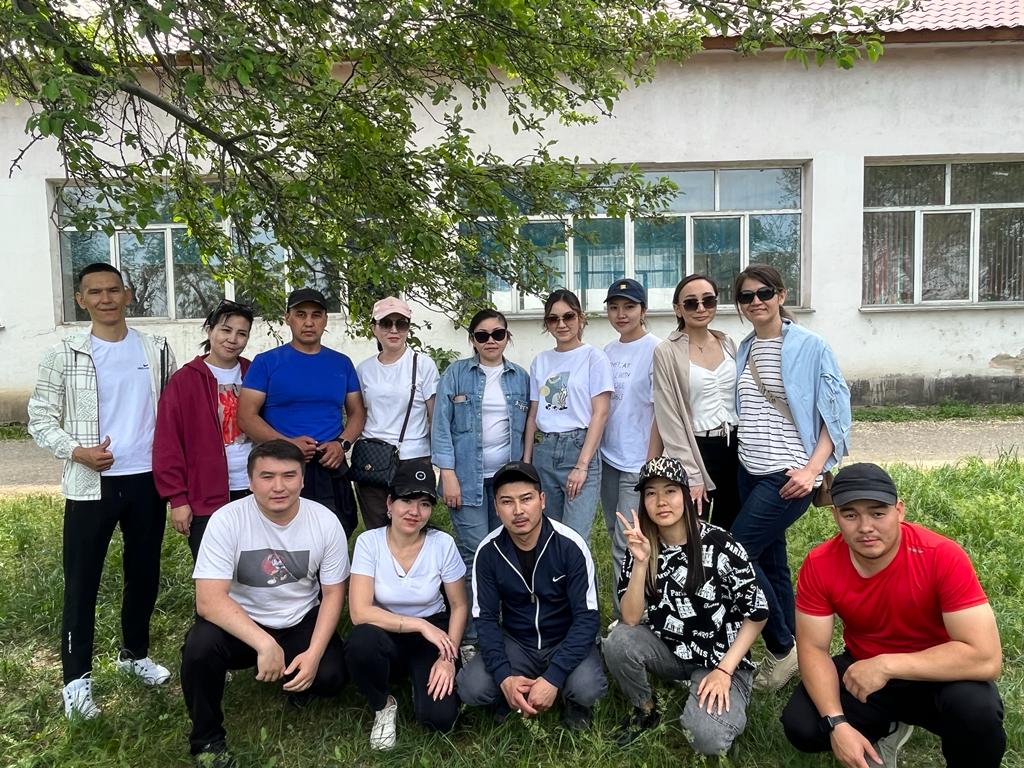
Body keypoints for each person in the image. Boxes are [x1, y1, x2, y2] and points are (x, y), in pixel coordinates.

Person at [27, 262, 177, 720]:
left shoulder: (156, 349)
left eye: (113, 290)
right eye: (95, 292)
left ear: (128, 295)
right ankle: (76, 682)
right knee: (82, 581)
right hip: (90, 484)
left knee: (144, 572)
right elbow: (40, 418)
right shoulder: (64, 353)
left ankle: (134, 655)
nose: (106, 299)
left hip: (147, 480)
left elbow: (172, 412)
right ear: (81, 300)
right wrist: (77, 451)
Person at [781, 463, 1005, 768]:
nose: (865, 527)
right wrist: (837, 723)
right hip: (865, 669)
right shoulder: (820, 563)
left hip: (937, 672)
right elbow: (813, 649)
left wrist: (887, 665)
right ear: (835, 516)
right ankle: (883, 729)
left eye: (877, 513)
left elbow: (986, 658)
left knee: (976, 710)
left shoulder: (942, 555)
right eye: (850, 515)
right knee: (802, 724)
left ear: (899, 511)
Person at [180, 440, 349, 768]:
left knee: (331, 676)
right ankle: (207, 740)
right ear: (250, 480)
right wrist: (264, 643)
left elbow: (333, 595)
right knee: (199, 648)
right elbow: (209, 601)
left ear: (303, 479)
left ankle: (295, 680)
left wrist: (314, 654)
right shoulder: (227, 520)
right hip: (243, 623)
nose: (278, 487)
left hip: (299, 618)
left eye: (289, 476)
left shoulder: (325, 522)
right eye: (267, 476)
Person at [730, 263, 851, 691]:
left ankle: (781, 648)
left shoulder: (810, 345)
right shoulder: (745, 347)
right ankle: (801, 649)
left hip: (788, 476)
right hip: (749, 470)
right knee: (772, 564)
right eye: (746, 296)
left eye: (764, 293)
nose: (756, 302)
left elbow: (836, 414)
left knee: (735, 552)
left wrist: (813, 470)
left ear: (781, 295)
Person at [602, 456, 768, 753]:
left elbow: (758, 613)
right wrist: (641, 563)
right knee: (617, 641)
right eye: (651, 493)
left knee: (706, 738)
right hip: (671, 647)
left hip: (720, 657)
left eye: (670, 491)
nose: (661, 501)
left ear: (686, 495)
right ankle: (646, 708)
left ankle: (729, 692)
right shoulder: (643, 545)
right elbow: (630, 619)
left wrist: (724, 671)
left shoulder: (720, 544)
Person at [456, 461, 607, 729]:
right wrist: (504, 677)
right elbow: (486, 619)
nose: (518, 511)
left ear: (542, 500)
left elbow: (587, 618)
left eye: (526, 499)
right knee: (471, 687)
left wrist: (553, 677)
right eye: (507, 502)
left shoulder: (570, 545)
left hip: (563, 638)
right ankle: (511, 691)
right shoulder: (488, 552)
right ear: (496, 508)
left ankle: (571, 698)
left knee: (588, 688)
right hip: (517, 641)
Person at [345, 460, 468, 750]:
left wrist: (448, 657)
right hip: (384, 629)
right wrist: (419, 624)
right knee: (360, 642)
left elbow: (459, 605)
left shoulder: (442, 544)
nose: (415, 511)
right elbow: (359, 612)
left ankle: (422, 679)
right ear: (390, 503)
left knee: (439, 720)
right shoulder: (369, 542)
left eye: (424, 504)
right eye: (407, 500)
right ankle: (383, 704)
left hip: (432, 635)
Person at [431, 308, 529, 654]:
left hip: (505, 482)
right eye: (482, 335)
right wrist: (447, 474)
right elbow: (440, 427)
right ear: (472, 339)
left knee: (505, 551)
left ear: (507, 337)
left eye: (498, 334)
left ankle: (504, 626)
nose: (491, 341)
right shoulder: (456, 374)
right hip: (466, 481)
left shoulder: (520, 377)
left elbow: (527, 428)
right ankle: (473, 637)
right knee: (475, 554)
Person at [238, 288, 365, 538]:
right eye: (300, 314)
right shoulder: (266, 362)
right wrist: (286, 444)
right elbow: (246, 417)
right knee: (283, 537)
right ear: (288, 318)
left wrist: (342, 444)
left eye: (316, 315)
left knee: (336, 533)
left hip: (330, 464)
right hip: (282, 466)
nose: (308, 322)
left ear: (325, 320)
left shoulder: (341, 363)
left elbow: (357, 412)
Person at [154, 299, 255, 561]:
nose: (232, 339)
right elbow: (168, 443)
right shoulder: (185, 380)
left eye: (241, 333)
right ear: (210, 330)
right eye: (225, 330)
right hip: (206, 496)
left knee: (255, 570)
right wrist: (178, 499)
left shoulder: (254, 373)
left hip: (255, 489)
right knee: (214, 571)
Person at [649, 274, 740, 531]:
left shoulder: (727, 342)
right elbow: (669, 417)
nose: (701, 308)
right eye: (691, 303)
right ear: (678, 308)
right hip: (697, 448)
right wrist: (692, 472)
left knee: (730, 530)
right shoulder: (667, 351)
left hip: (735, 447)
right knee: (694, 532)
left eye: (708, 300)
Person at [523, 289, 613, 541]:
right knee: (547, 534)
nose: (561, 324)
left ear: (581, 318)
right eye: (553, 319)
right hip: (544, 450)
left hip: (578, 447)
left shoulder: (594, 358)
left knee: (574, 538)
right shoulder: (541, 361)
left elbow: (600, 413)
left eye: (568, 316)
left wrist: (582, 466)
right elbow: (533, 415)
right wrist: (527, 462)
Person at [599, 278, 660, 620]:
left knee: (628, 540)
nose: (621, 314)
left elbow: (661, 411)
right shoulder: (606, 352)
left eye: (629, 307)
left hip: (638, 461)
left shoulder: (656, 349)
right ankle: (628, 612)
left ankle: (629, 619)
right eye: (614, 307)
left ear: (643, 310)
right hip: (608, 458)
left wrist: (650, 463)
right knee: (614, 534)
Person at [355, 296, 440, 530]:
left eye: (401, 324)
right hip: (373, 458)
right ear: (374, 328)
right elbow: (359, 414)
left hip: (413, 457)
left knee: (412, 526)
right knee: (377, 527)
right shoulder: (364, 369)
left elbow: (435, 417)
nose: (393, 330)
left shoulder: (422, 364)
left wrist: (441, 461)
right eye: (386, 323)